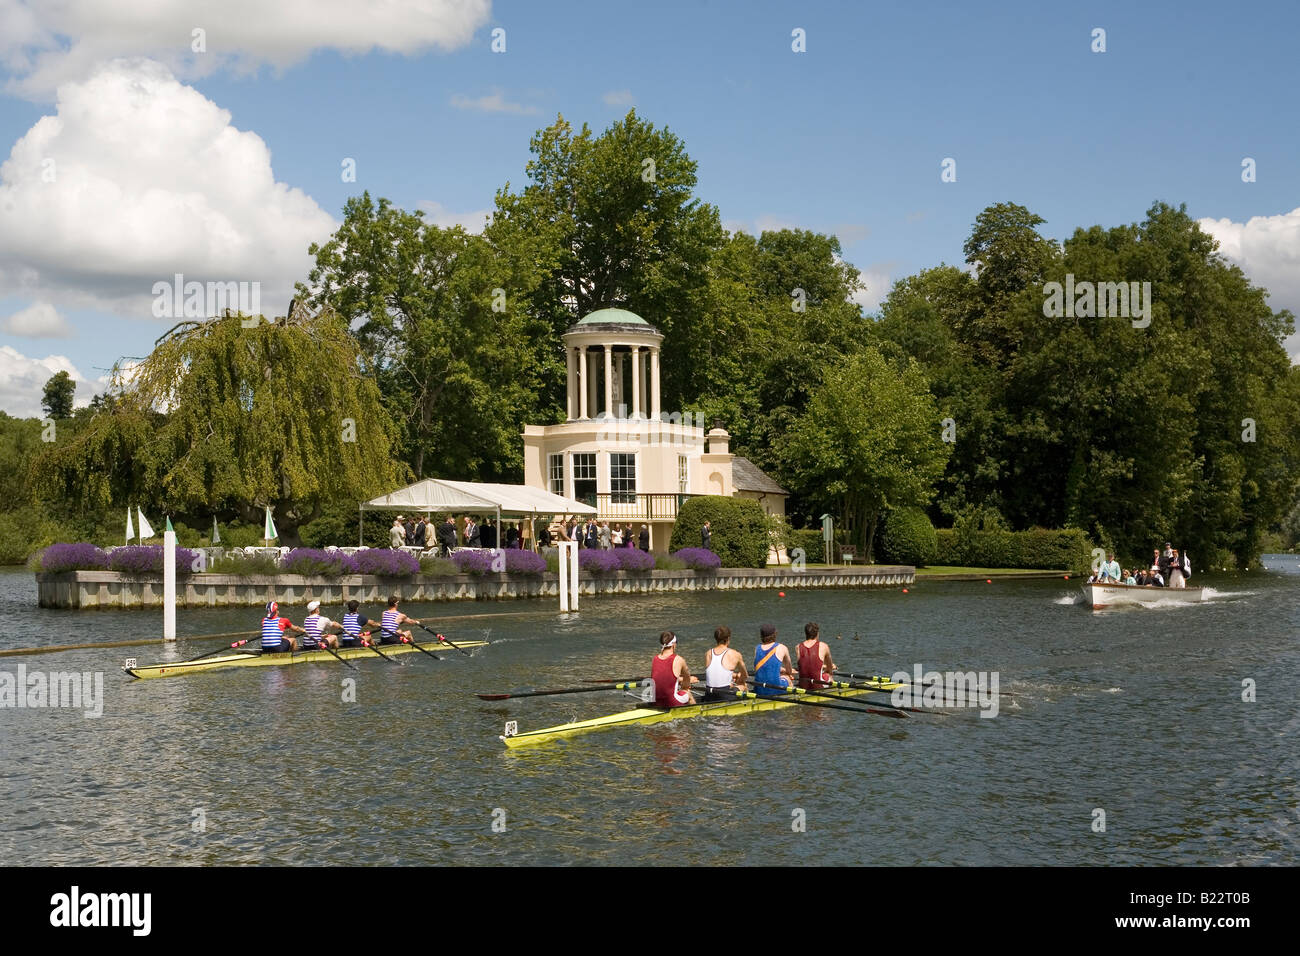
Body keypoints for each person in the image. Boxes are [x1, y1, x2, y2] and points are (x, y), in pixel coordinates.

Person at [651, 631, 695, 707]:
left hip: (655, 701)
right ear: (673, 645)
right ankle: (696, 713)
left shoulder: (655, 659)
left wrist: (679, 680)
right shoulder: (679, 659)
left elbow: (661, 679)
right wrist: (685, 687)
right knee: (688, 694)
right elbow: (686, 681)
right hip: (671, 702)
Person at [702, 625, 748, 699]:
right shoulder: (735, 654)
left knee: (730, 686)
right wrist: (739, 680)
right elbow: (745, 676)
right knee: (743, 685)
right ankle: (746, 704)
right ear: (728, 638)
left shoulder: (708, 653)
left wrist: (733, 676)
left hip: (709, 694)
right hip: (725, 695)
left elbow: (717, 671)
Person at [753, 624, 794, 697]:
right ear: (775, 635)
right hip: (776, 689)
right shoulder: (782, 647)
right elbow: (789, 671)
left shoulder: (757, 649)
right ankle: (791, 698)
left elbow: (762, 668)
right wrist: (785, 672)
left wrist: (779, 669)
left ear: (761, 636)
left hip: (758, 689)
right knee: (788, 677)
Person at [796, 622, 835, 690]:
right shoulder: (824, 646)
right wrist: (827, 670)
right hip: (818, 687)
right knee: (828, 675)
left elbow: (807, 664)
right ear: (817, 634)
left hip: (803, 686)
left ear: (806, 634)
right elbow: (830, 668)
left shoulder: (798, 647)